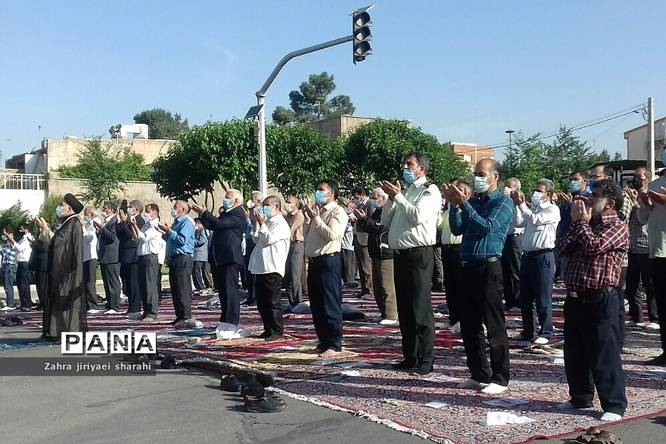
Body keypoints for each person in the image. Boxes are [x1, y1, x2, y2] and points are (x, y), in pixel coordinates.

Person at [557, 178, 628, 421]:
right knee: (575, 352)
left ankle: (614, 404)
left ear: (610, 203)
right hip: (575, 297)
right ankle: (580, 397)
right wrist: (578, 224)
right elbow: (563, 247)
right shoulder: (586, 225)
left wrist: (582, 224)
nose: (589, 200)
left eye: (595, 196)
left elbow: (593, 247)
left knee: (603, 353)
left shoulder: (617, 226)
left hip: (600, 297)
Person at [444, 158, 513, 394]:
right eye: (475, 174)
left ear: (495, 176)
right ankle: (478, 373)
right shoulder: (473, 201)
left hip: (488, 267)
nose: (477, 178)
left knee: (493, 324)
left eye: (482, 174)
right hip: (467, 266)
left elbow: (486, 226)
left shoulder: (503, 202)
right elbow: (457, 228)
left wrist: (464, 204)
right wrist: (454, 206)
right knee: (469, 324)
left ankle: (500, 377)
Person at [381, 152, 441, 375]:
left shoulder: (429, 191)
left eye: (410, 164)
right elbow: (385, 220)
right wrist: (392, 198)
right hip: (401, 255)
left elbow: (417, 216)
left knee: (420, 308)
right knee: (405, 309)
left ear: (421, 168)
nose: (406, 168)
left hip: (418, 254)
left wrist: (398, 197)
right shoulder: (406, 192)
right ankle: (410, 355)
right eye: (405, 164)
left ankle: (426, 358)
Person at [511, 179, 561, 344]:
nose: (536, 193)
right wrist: (517, 205)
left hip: (543, 256)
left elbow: (535, 219)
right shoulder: (533, 208)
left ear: (549, 194)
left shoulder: (552, 210)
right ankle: (528, 331)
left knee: (543, 296)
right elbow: (519, 222)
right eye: (535, 190)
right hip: (527, 256)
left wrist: (522, 205)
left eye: (540, 191)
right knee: (525, 297)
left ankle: (546, 332)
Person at [304, 179, 348, 358]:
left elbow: (332, 234)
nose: (318, 192)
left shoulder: (338, 211)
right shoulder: (319, 211)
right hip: (314, 261)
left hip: (329, 260)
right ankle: (323, 340)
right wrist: (310, 219)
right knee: (317, 304)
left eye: (321, 189)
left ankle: (334, 343)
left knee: (330, 303)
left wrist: (316, 219)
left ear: (332, 193)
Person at [193, 190, 246, 325]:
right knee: (223, 291)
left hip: (230, 257)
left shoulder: (238, 213)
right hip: (220, 257)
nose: (225, 199)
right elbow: (212, 225)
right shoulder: (225, 213)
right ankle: (225, 319)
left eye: (228, 197)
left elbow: (219, 224)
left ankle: (232, 321)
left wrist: (205, 212)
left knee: (230, 291)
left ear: (237, 201)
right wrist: (202, 215)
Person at [43, 193, 86, 342]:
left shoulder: (74, 223)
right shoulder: (65, 223)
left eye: (61, 205)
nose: (59, 207)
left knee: (66, 301)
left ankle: (68, 332)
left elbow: (72, 248)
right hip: (59, 268)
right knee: (56, 299)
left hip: (68, 270)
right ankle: (55, 331)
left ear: (70, 208)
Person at [249, 196, 291, 340]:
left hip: (272, 267)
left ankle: (277, 330)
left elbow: (269, 240)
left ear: (276, 207)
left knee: (273, 301)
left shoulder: (281, 224)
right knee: (262, 302)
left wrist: (262, 223)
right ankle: (268, 328)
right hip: (261, 266)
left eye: (267, 205)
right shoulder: (267, 222)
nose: (264, 208)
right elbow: (256, 239)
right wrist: (257, 223)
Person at [638, 155, 666, 366]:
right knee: (663, 304)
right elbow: (644, 215)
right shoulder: (655, 183)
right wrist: (647, 200)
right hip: (657, 250)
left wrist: (660, 198)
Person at [356, 187, 398, 325]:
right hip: (375, 251)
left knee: (387, 286)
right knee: (378, 286)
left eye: (375, 198)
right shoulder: (378, 211)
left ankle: (391, 314)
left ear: (383, 198)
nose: (374, 200)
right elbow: (370, 227)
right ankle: (383, 312)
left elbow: (380, 227)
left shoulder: (389, 211)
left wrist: (365, 219)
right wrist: (362, 219)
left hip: (385, 252)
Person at [625, 168, 658, 329]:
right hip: (632, 245)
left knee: (649, 284)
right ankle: (636, 317)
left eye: (639, 177)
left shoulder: (650, 194)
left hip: (646, 245)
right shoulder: (635, 194)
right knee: (632, 284)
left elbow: (642, 218)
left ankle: (654, 319)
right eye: (635, 176)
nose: (635, 179)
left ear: (647, 179)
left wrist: (634, 202)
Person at [158, 200, 195, 326]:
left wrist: (170, 231)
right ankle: (179, 315)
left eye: (175, 207)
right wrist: (165, 232)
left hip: (183, 258)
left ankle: (185, 315)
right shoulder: (176, 222)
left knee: (182, 288)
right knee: (175, 288)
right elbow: (170, 239)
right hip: (174, 258)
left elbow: (182, 240)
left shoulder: (187, 223)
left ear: (183, 209)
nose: (173, 209)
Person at [440, 179, 467, 334]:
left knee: (460, 286)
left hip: (459, 248)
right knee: (450, 285)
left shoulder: (465, 208)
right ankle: (454, 318)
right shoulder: (447, 208)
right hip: (447, 249)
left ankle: (463, 318)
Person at [132, 203, 164, 322]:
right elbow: (138, 238)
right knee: (143, 285)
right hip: (142, 256)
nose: (145, 214)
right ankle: (146, 311)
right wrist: (132, 226)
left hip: (151, 256)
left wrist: (135, 225)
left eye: (148, 211)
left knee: (150, 285)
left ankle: (152, 312)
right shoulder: (146, 225)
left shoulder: (155, 225)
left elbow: (145, 237)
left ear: (154, 212)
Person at [117, 200, 145, 318]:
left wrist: (125, 223)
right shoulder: (128, 220)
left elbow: (131, 236)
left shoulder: (139, 221)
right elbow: (120, 234)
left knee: (134, 283)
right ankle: (131, 306)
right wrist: (120, 221)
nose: (128, 209)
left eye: (130, 207)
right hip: (125, 254)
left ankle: (135, 307)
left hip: (133, 255)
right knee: (127, 283)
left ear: (136, 209)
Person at [500, 177, 524, 310]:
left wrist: (516, 204)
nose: (506, 189)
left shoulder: (519, 204)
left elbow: (519, 221)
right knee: (505, 271)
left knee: (516, 270)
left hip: (515, 238)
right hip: (504, 238)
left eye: (509, 187)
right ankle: (509, 300)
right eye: (506, 186)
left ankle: (519, 300)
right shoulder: (503, 202)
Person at [94, 201, 121, 314]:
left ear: (111, 209)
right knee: (106, 281)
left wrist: (102, 228)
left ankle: (115, 305)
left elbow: (113, 237)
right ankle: (109, 303)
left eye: (105, 208)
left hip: (112, 256)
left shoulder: (114, 221)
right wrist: (98, 230)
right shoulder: (107, 222)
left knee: (112, 282)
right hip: (104, 256)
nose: (103, 210)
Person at [351, 186, 374, 298]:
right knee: (360, 266)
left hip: (365, 239)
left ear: (361, 195)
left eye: (356, 197)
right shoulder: (360, 206)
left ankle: (369, 290)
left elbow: (371, 221)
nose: (355, 200)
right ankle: (364, 289)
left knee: (366, 266)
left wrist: (361, 219)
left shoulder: (370, 204)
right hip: (357, 237)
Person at [242, 190, 264, 306]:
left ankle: (254, 296)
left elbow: (254, 226)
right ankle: (251, 295)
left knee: (254, 269)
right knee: (248, 269)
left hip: (255, 241)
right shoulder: (252, 211)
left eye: (252, 199)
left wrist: (247, 218)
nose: (250, 201)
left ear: (259, 201)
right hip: (249, 241)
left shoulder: (259, 210)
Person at [284, 196, 305, 307]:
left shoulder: (299, 216)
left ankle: (298, 300)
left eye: (289, 202)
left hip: (297, 245)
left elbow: (290, 230)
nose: (287, 204)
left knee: (295, 274)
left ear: (295, 205)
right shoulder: (286, 216)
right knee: (287, 274)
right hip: (287, 245)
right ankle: (291, 300)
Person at [28, 217, 52, 310]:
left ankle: (45, 303)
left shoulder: (47, 237)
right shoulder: (40, 236)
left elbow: (43, 248)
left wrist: (34, 243)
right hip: (38, 264)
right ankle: (42, 303)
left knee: (43, 286)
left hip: (44, 265)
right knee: (39, 285)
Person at [82, 207, 101, 313]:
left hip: (92, 256)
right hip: (85, 256)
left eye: (87, 214)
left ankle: (93, 305)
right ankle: (87, 304)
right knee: (85, 282)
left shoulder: (95, 223)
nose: (85, 216)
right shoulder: (87, 225)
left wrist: (94, 216)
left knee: (90, 282)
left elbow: (89, 238)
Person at [11, 224, 33, 311]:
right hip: (20, 263)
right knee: (20, 284)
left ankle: (27, 304)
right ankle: (23, 303)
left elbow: (20, 248)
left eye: (21, 229)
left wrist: (12, 239)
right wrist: (11, 241)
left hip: (24, 263)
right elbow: (15, 248)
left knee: (24, 285)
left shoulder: (27, 238)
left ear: (25, 230)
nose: (19, 231)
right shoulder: (23, 238)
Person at [0, 227, 19, 311]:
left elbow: (5, 252)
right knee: (7, 285)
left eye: (5, 234)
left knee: (8, 286)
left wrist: (7, 235)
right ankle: (10, 302)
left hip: (9, 266)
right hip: (6, 266)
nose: (3, 236)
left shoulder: (11, 243)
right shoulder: (5, 243)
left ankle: (10, 304)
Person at [192, 218, 210, 294]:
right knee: (195, 271)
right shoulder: (196, 231)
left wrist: (191, 241)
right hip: (196, 254)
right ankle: (198, 287)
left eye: (196, 223)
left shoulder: (202, 230)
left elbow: (202, 240)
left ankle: (200, 287)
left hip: (200, 254)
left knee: (196, 271)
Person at [341, 214, 356, 287]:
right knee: (346, 266)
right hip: (345, 247)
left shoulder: (349, 227)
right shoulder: (346, 225)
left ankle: (349, 281)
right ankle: (347, 281)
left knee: (349, 266)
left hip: (348, 247)